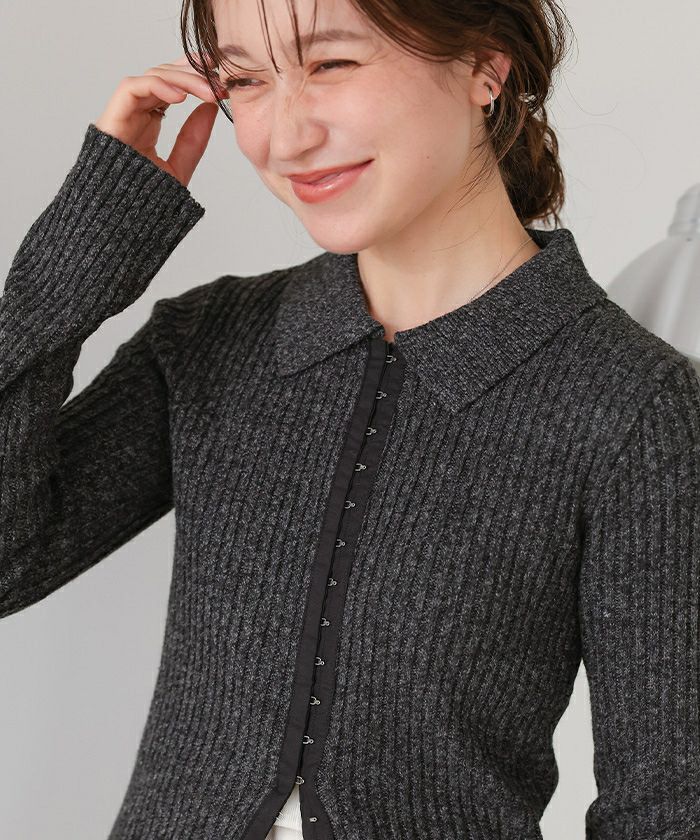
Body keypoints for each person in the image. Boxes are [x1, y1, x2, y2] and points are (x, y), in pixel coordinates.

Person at [2, 0, 699, 836]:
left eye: (330, 63)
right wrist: (72, 268)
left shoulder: (633, 404)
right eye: (245, 81)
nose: (284, 138)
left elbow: (668, 806)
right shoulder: (208, 341)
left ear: (485, 64)